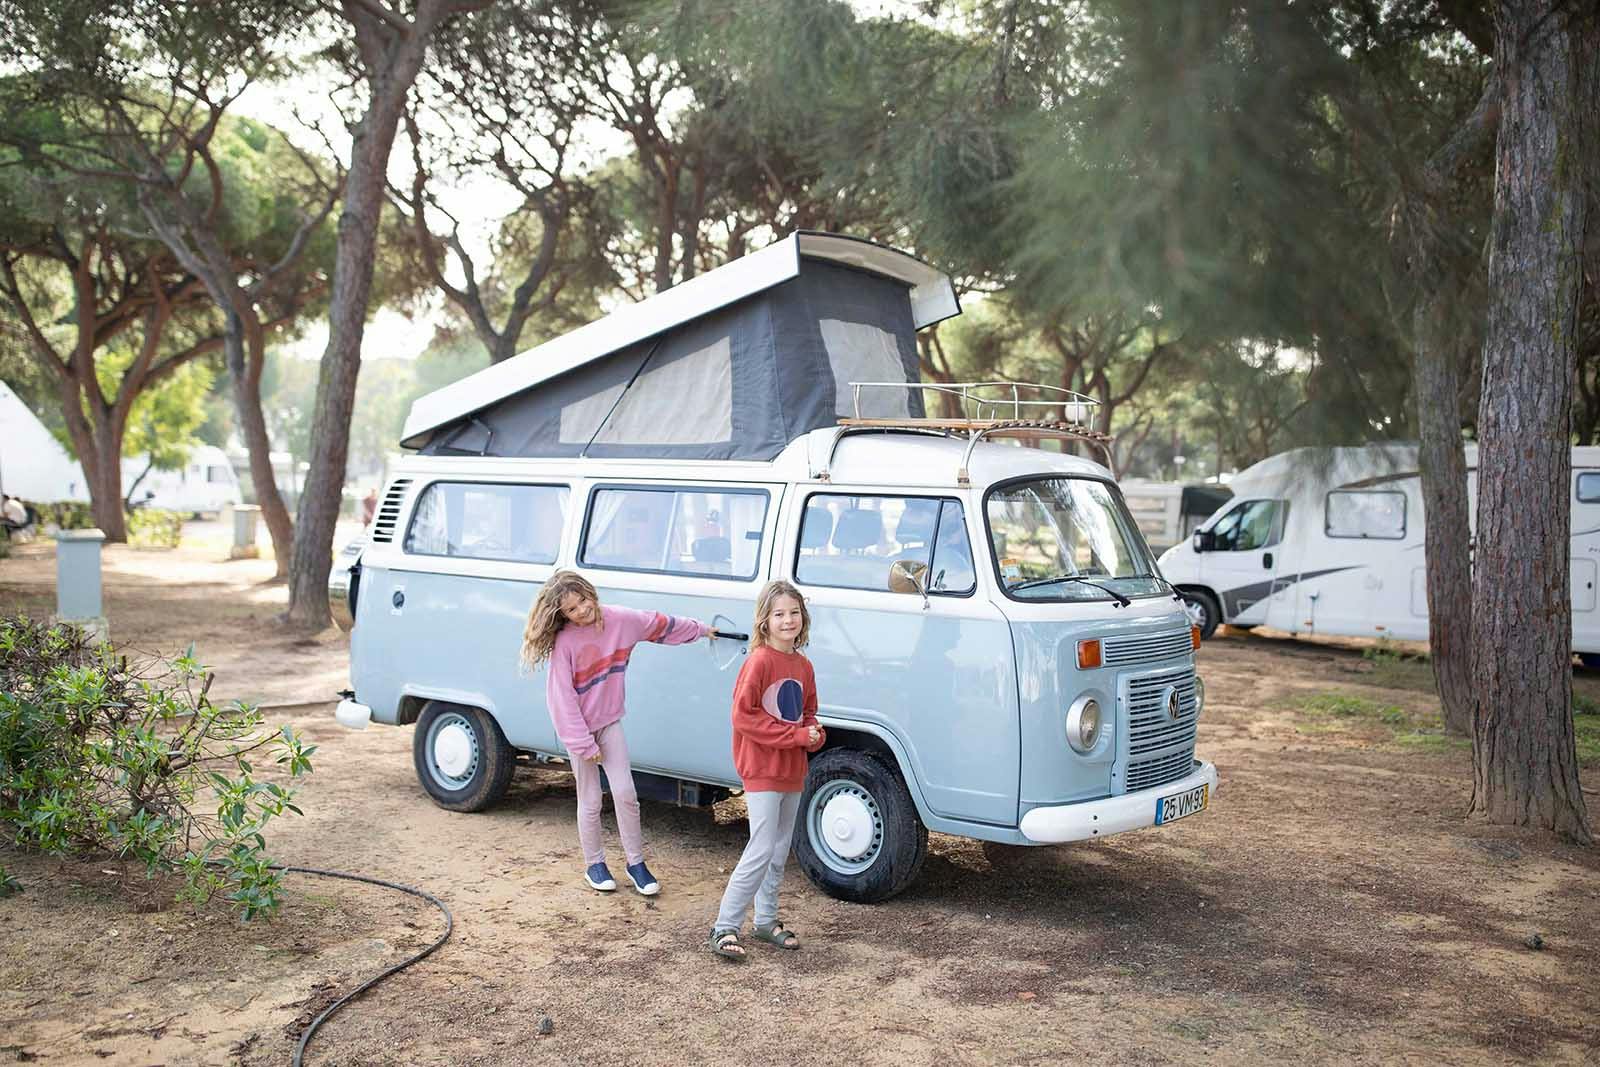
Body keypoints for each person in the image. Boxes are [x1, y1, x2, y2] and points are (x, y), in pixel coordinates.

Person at [519, 570, 714, 895]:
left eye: (582, 600)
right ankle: (594, 864)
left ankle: (635, 863)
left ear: (590, 593)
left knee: (625, 793)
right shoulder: (565, 642)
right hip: (579, 731)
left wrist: (702, 629)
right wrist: (582, 742)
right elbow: (560, 699)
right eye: (571, 609)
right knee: (591, 800)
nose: (581, 610)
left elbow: (661, 624)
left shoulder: (621, 620)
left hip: (609, 724)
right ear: (562, 615)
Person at [709, 580, 826, 961]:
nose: (787, 620)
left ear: (802, 619)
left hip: (792, 767)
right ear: (765, 621)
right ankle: (725, 925)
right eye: (779, 614)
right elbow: (743, 717)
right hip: (761, 767)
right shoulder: (758, 661)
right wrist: (795, 734)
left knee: (779, 848)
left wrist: (813, 734)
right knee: (760, 846)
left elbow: (807, 711)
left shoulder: (803, 665)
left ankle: (766, 920)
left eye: (794, 613)